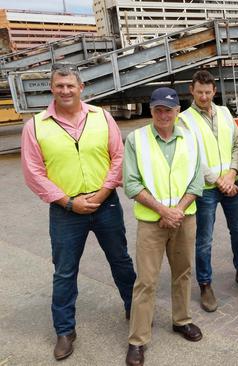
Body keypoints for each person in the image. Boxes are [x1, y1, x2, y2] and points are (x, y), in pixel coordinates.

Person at [21, 63, 136, 361]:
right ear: (52, 88)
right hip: (65, 211)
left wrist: (99, 194)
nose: (65, 91)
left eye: (70, 85)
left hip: (105, 204)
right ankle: (64, 330)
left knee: (121, 260)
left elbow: (118, 157)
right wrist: (68, 202)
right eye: (59, 86)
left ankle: (134, 309)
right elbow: (34, 173)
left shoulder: (102, 117)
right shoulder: (36, 126)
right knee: (64, 272)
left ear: (81, 88)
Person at [124, 87, 204, 365]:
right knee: (146, 280)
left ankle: (181, 320)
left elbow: (197, 181)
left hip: (184, 218)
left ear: (177, 111)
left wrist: (177, 211)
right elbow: (132, 184)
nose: (163, 114)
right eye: (158, 109)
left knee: (183, 272)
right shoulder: (136, 139)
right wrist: (162, 211)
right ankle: (138, 340)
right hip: (151, 221)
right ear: (151, 110)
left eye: (168, 109)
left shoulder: (191, 138)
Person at [179, 70, 238, 313]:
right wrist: (217, 180)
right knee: (204, 240)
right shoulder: (184, 119)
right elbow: (189, 155)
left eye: (208, 92)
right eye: (199, 92)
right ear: (191, 91)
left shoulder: (225, 112)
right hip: (205, 189)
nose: (204, 96)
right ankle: (205, 284)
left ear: (214, 91)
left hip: (229, 183)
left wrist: (233, 172)